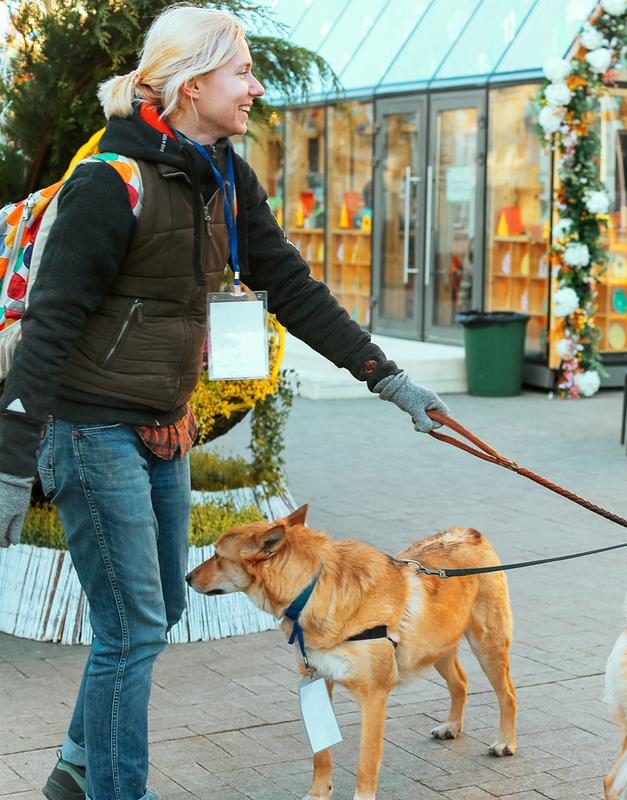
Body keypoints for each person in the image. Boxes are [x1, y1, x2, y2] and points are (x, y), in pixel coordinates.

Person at [0, 8, 448, 800]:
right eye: (241, 72)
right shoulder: (112, 181)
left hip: (162, 428)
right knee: (133, 627)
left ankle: (76, 767)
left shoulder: (225, 176)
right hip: (89, 428)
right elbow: (53, 324)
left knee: (163, 604)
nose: (255, 86)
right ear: (191, 81)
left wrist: (385, 375)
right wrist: (9, 467)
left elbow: (292, 287)